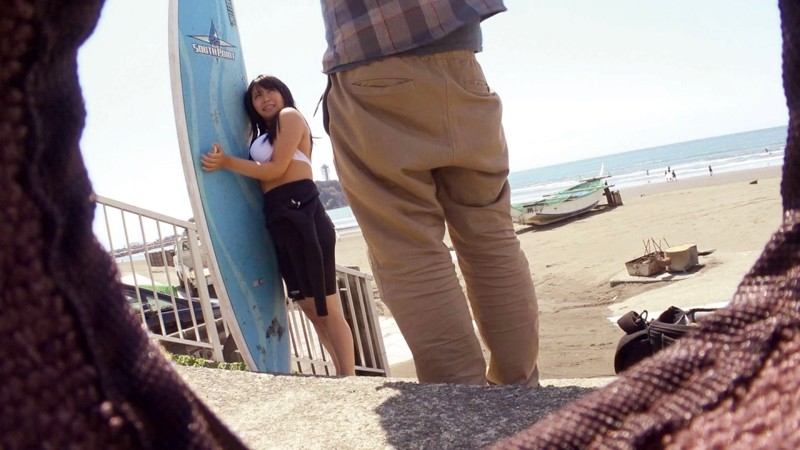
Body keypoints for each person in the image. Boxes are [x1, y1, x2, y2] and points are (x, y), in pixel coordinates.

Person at [319, 1, 539, 386]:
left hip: (372, 65)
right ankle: (519, 391)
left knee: (408, 249)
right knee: (491, 235)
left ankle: (464, 403)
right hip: (462, 63)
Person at [201, 75, 355, 376]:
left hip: (303, 214)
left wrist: (226, 162)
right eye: (257, 96)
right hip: (280, 220)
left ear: (283, 93)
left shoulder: (290, 116)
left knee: (326, 306)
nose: (265, 99)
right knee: (310, 310)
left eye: (270, 91)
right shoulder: (262, 136)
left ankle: (350, 378)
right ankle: (341, 374)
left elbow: (275, 169)